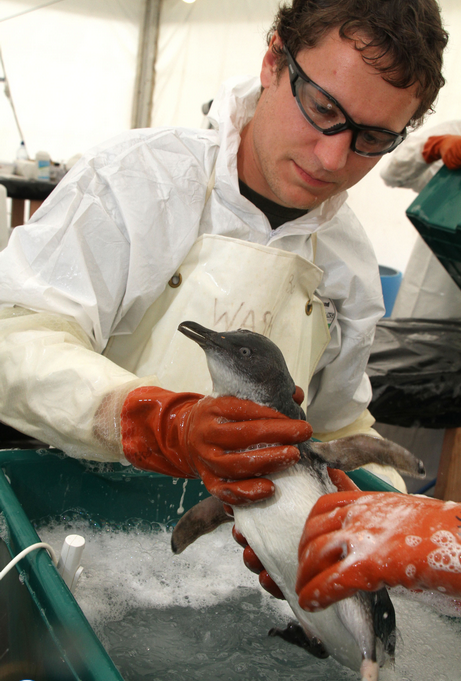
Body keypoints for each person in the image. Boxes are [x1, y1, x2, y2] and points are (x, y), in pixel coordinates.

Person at [0, 0, 448, 506]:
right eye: (324, 109)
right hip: (79, 507)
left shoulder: (349, 259)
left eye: (371, 138)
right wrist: (163, 424)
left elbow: (338, 421)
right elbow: (16, 344)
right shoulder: (133, 182)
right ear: (274, 61)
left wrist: (387, 512)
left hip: (238, 543)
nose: (332, 158)